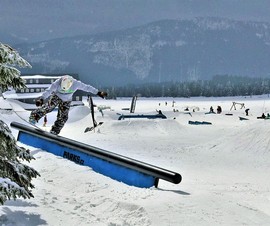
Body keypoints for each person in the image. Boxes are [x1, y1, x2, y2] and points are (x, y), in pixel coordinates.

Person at [29, 75, 107, 135]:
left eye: (65, 89)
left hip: (67, 100)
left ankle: (55, 130)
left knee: (63, 117)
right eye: (62, 88)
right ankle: (34, 116)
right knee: (49, 107)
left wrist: (98, 92)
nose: (64, 90)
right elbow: (49, 91)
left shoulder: (76, 83)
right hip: (56, 96)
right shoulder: (57, 83)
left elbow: (87, 88)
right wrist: (41, 99)